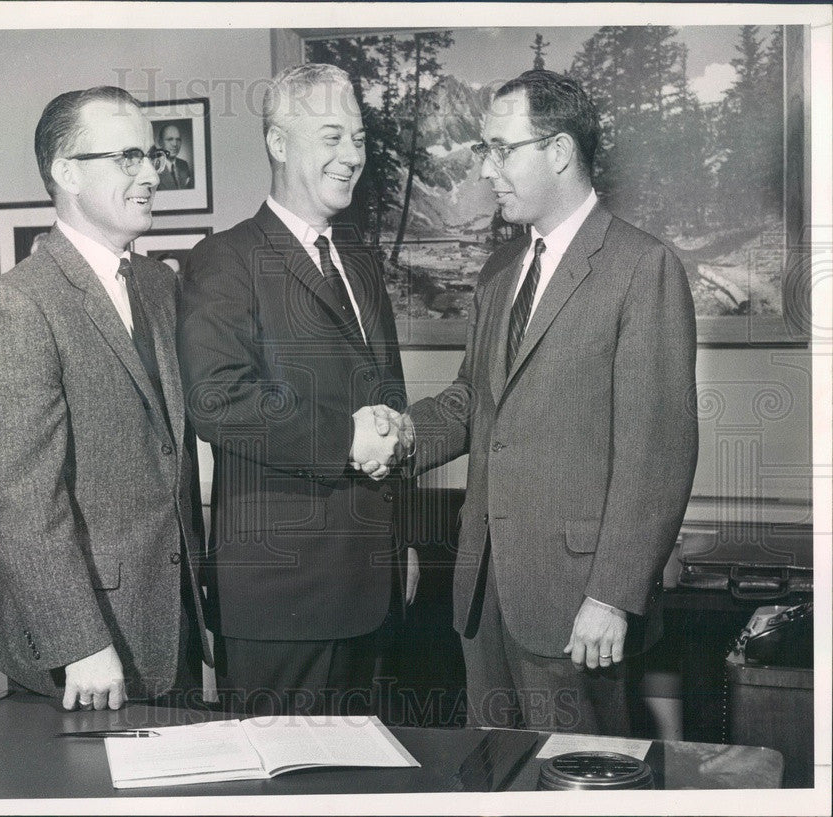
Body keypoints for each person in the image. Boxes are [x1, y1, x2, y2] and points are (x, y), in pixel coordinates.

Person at [401, 69, 698, 735]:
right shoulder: (499, 271)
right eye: (483, 150)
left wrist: (612, 596)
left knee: (579, 789)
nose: (487, 171)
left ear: (559, 151)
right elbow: (474, 402)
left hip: (578, 610)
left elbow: (658, 451)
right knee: (495, 782)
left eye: (501, 149)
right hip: (483, 597)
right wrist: (401, 435)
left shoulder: (642, 267)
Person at [0, 86, 211, 711]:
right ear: (66, 172)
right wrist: (79, 642)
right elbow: (19, 503)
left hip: (168, 625)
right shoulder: (17, 307)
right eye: (128, 157)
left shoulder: (156, 285)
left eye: (152, 156)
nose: (152, 174)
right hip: (81, 650)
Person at [177, 63, 417, 717]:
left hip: (374, 594)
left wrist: (406, 543)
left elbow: (388, 409)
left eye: (360, 139)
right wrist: (345, 438)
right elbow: (218, 399)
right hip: (279, 606)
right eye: (333, 136)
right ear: (279, 143)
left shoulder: (361, 265)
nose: (352, 157)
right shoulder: (224, 258)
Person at [157, 123, 193, 190]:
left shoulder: (184, 164)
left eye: (178, 139)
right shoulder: (154, 167)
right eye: (170, 139)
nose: (175, 144)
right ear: (160, 142)